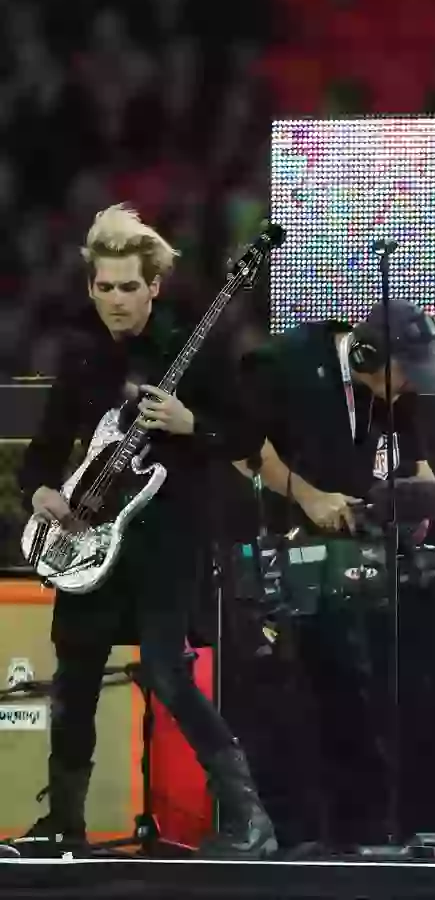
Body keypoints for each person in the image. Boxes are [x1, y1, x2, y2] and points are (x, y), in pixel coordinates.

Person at [18, 205, 275, 855]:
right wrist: (39, 491)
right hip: (88, 539)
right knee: (73, 680)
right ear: (91, 287)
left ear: (153, 285)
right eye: (104, 287)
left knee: (168, 674)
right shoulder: (82, 358)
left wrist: (193, 425)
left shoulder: (195, 351)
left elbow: (247, 437)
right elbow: (44, 452)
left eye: (128, 286)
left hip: (167, 542)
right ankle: (63, 823)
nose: (115, 299)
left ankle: (249, 816)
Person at [231, 298, 435, 848]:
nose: (408, 387)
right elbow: (242, 445)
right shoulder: (286, 362)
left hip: (348, 555)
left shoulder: (393, 390)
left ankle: (362, 837)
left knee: (357, 697)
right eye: (404, 375)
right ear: (368, 355)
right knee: (290, 702)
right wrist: (307, 496)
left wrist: (416, 502)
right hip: (278, 541)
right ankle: (293, 835)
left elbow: (417, 463)